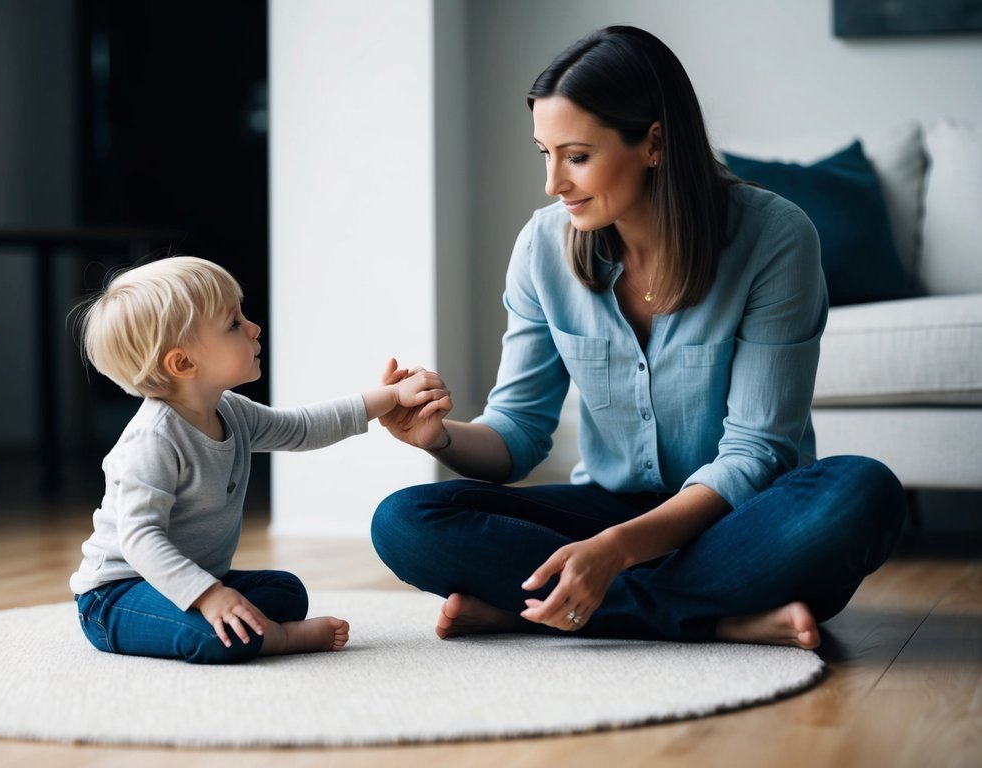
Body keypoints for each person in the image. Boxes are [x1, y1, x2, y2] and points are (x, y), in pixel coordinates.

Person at [371, 26, 906, 650]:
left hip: (735, 518)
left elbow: (756, 454)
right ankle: (713, 618)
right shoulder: (542, 247)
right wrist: (439, 436)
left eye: (576, 156)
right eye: (543, 153)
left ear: (653, 142)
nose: (553, 183)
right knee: (406, 520)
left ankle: (551, 608)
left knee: (862, 493)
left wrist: (617, 552)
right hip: (607, 508)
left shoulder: (776, 237)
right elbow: (516, 434)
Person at [69, 255, 450, 664]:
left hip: (199, 579)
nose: (253, 328)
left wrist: (389, 398)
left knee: (286, 591)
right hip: (119, 592)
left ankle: (255, 628)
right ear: (183, 363)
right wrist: (211, 596)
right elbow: (141, 541)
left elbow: (303, 427)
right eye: (233, 324)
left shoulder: (231, 411)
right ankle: (278, 639)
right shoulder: (152, 441)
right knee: (214, 636)